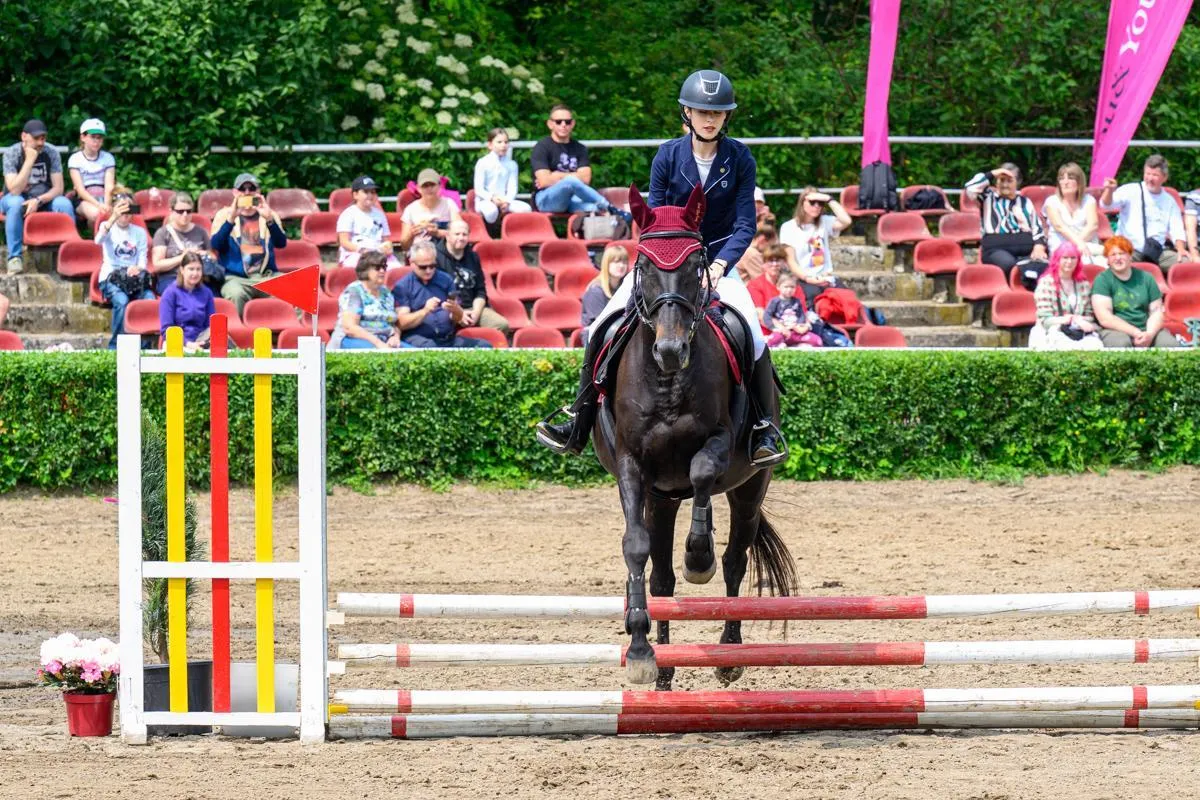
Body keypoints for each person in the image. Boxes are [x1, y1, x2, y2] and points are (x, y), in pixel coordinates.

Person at [537, 69, 786, 467]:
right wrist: (670, 262)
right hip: (667, 263)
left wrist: (720, 265)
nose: (710, 119)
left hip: (719, 262)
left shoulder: (740, 158)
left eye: (717, 113)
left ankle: (763, 427)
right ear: (687, 113)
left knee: (753, 336)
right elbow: (655, 219)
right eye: (702, 111)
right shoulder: (668, 155)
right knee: (601, 327)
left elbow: (744, 225)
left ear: (726, 116)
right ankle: (578, 419)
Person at [529, 105, 631, 221]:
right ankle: (610, 207)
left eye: (567, 122)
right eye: (558, 122)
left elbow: (586, 179)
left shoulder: (580, 148)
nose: (563, 125)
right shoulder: (541, 147)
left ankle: (611, 225)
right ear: (550, 124)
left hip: (573, 199)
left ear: (573, 124)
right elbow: (544, 181)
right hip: (546, 199)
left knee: (594, 209)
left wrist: (556, 175)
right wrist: (572, 178)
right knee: (571, 181)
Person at [2, 119, 76, 275]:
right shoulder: (12, 153)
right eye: (36, 138)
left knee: (64, 204)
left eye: (43, 138)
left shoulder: (51, 152)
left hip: (43, 199)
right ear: (24, 136)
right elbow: (14, 190)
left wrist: (38, 200)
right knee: (16, 203)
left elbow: (58, 188)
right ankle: (14, 258)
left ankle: (71, 255)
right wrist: (30, 160)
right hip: (15, 198)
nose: (40, 142)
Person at [210, 173, 288, 315]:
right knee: (235, 294)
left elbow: (281, 243)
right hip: (236, 278)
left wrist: (269, 220)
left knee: (295, 288)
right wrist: (230, 220)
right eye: (242, 189)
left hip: (266, 276)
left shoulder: (269, 214)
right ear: (235, 192)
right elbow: (216, 245)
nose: (247, 192)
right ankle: (237, 328)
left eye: (251, 188)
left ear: (258, 192)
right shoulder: (224, 215)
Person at [391, 241, 492, 348]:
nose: (428, 270)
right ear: (412, 263)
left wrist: (457, 311)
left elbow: (456, 319)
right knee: (431, 348)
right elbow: (401, 323)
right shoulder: (403, 286)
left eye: (432, 266)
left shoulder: (445, 279)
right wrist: (425, 311)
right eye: (423, 267)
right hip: (418, 337)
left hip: (447, 338)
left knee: (484, 346)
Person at [1101, 154, 1186, 273]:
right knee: (1119, 260)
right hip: (1129, 249)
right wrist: (1109, 191)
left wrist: (1181, 249)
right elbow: (1106, 205)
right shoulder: (1130, 190)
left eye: (1155, 175)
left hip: (1157, 251)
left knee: (1186, 263)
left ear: (1164, 177)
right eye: (1147, 174)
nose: (1150, 178)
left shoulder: (1169, 201)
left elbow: (1177, 228)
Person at [1091, 235, 1178, 349]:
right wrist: (1135, 332)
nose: (1118, 258)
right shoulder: (1102, 280)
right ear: (1107, 259)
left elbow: (1156, 311)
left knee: (1169, 344)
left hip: (1146, 329)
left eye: (1122, 253)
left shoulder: (1147, 278)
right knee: (1121, 344)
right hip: (1115, 330)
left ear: (1130, 256)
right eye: (1113, 254)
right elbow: (1105, 318)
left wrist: (1149, 334)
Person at [964, 163, 1047, 280]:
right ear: (996, 182)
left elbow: (1036, 227)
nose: (1005, 184)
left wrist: (1039, 246)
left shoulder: (1025, 202)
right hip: (995, 248)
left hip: (1026, 246)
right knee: (1009, 264)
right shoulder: (986, 198)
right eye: (1001, 180)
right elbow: (970, 187)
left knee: (1044, 261)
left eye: (1009, 181)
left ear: (1018, 182)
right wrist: (993, 173)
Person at [96, 188, 153, 348]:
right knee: (122, 301)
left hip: (133, 278)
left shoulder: (139, 232)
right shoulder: (107, 227)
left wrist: (137, 268)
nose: (126, 214)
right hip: (111, 277)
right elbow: (98, 240)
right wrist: (112, 217)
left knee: (149, 300)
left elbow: (142, 259)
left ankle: (144, 346)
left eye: (129, 210)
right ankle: (116, 346)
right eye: (122, 210)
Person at [778, 186, 852, 309]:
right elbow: (791, 261)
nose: (817, 206)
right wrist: (808, 278)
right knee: (815, 303)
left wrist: (828, 199)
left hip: (826, 278)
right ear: (802, 203)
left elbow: (846, 221)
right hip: (803, 279)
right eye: (812, 202)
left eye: (820, 203)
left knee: (848, 302)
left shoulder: (825, 222)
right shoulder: (788, 227)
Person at [435, 219, 509, 332]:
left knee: (501, 324)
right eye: (457, 234)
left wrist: (476, 312)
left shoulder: (473, 257)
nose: (461, 238)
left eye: (464, 234)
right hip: (447, 309)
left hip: (473, 306)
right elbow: (436, 293)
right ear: (447, 235)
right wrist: (459, 313)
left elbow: (480, 290)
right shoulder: (435, 257)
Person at [1029, 242, 1102, 351]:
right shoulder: (1046, 283)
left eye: (1073, 258)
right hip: (1051, 331)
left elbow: (1089, 315)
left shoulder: (1083, 284)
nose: (1069, 262)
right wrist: (1069, 319)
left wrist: (1079, 321)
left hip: (1079, 331)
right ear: (1057, 259)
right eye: (1065, 258)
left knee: (1095, 345)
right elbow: (1045, 319)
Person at [330, 251, 408, 350]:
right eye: (377, 267)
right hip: (353, 340)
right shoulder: (354, 291)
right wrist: (378, 343)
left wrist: (395, 336)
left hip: (384, 340)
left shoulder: (386, 293)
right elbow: (349, 327)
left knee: (416, 354)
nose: (382, 271)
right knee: (382, 356)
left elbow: (393, 323)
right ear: (365, 270)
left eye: (384, 267)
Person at [1042, 162, 1104, 265]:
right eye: (1061, 178)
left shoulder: (1089, 200)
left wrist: (1078, 244)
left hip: (1088, 245)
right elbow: (1059, 227)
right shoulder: (1051, 201)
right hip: (1062, 248)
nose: (1065, 182)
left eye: (1070, 178)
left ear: (1079, 182)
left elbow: (1093, 225)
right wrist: (1076, 245)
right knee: (1084, 262)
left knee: (1107, 261)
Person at [150, 192, 211, 294]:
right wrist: (182, 257)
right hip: (171, 277)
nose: (185, 215)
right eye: (180, 211)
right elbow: (157, 265)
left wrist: (202, 254)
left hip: (198, 277)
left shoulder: (201, 232)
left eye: (188, 211)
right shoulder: (163, 233)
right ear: (171, 211)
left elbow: (212, 256)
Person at [337, 175, 401, 269]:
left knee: (396, 270)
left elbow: (386, 239)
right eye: (366, 192)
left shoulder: (380, 215)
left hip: (378, 253)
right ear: (355, 195)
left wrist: (388, 248)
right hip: (356, 254)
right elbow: (344, 241)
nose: (370, 195)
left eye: (373, 192)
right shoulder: (348, 214)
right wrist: (362, 250)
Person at [158, 253, 216, 351]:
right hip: (177, 341)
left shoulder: (207, 293)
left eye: (198, 269)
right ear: (182, 270)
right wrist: (188, 344)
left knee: (222, 337)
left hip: (201, 339)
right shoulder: (170, 293)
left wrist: (203, 343)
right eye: (191, 269)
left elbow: (210, 325)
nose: (195, 273)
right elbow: (167, 329)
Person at [473, 128, 531, 224]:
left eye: (506, 142)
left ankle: (508, 229)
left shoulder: (512, 164)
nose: (503, 145)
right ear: (490, 145)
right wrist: (492, 198)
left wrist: (507, 201)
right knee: (491, 211)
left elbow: (512, 187)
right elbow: (479, 189)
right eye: (499, 142)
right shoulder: (482, 162)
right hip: (485, 200)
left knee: (526, 208)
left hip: (504, 200)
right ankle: (491, 229)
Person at [67, 118, 116, 226]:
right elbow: (80, 190)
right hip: (84, 199)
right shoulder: (75, 159)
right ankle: (96, 236)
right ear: (83, 137)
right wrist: (99, 205)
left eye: (100, 138)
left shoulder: (108, 158)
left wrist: (106, 204)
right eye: (93, 137)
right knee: (96, 214)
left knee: (129, 208)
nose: (97, 141)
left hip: (106, 197)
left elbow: (109, 186)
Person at [399, 168, 461, 248]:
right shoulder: (410, 209)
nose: (429, 189)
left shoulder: (449, 204)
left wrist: (438, 233)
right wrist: (411, 234)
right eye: (425, 186)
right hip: (419, 251)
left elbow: (460, 234)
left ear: (439, 186)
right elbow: (404, 246)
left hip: (445, 250)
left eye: (432, 185)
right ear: (418, 188)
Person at [579, 244, 630, 341]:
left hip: (617, 331)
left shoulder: (625, 287)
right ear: (607, 264)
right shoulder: (595, 290)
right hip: (596, 337)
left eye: (624, 262)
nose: (621, 266)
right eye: (616, 262)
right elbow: (602, 322)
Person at [764, 274, 820, 348]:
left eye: (792, 287)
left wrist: (799, 326)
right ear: (778, 287)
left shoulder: (797, 301)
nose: (789, 290)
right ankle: (780, 344)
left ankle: (797, 345)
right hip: (782, 332)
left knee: (817, 340)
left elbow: (801, 315)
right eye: (786, 287)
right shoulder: (774, 301)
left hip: (795, 331)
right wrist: (775, 328)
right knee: (773, 340)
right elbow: (767, 316)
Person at [747, 245, 786, 333]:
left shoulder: (791, 284)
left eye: (778, 260)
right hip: (767, 332)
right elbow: (760, 314)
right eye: (770, 261)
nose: (774, 264)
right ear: (763, 264)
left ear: (784, 262)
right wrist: (782, 328)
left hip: (793, 328)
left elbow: (800, 310)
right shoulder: (754, 285)